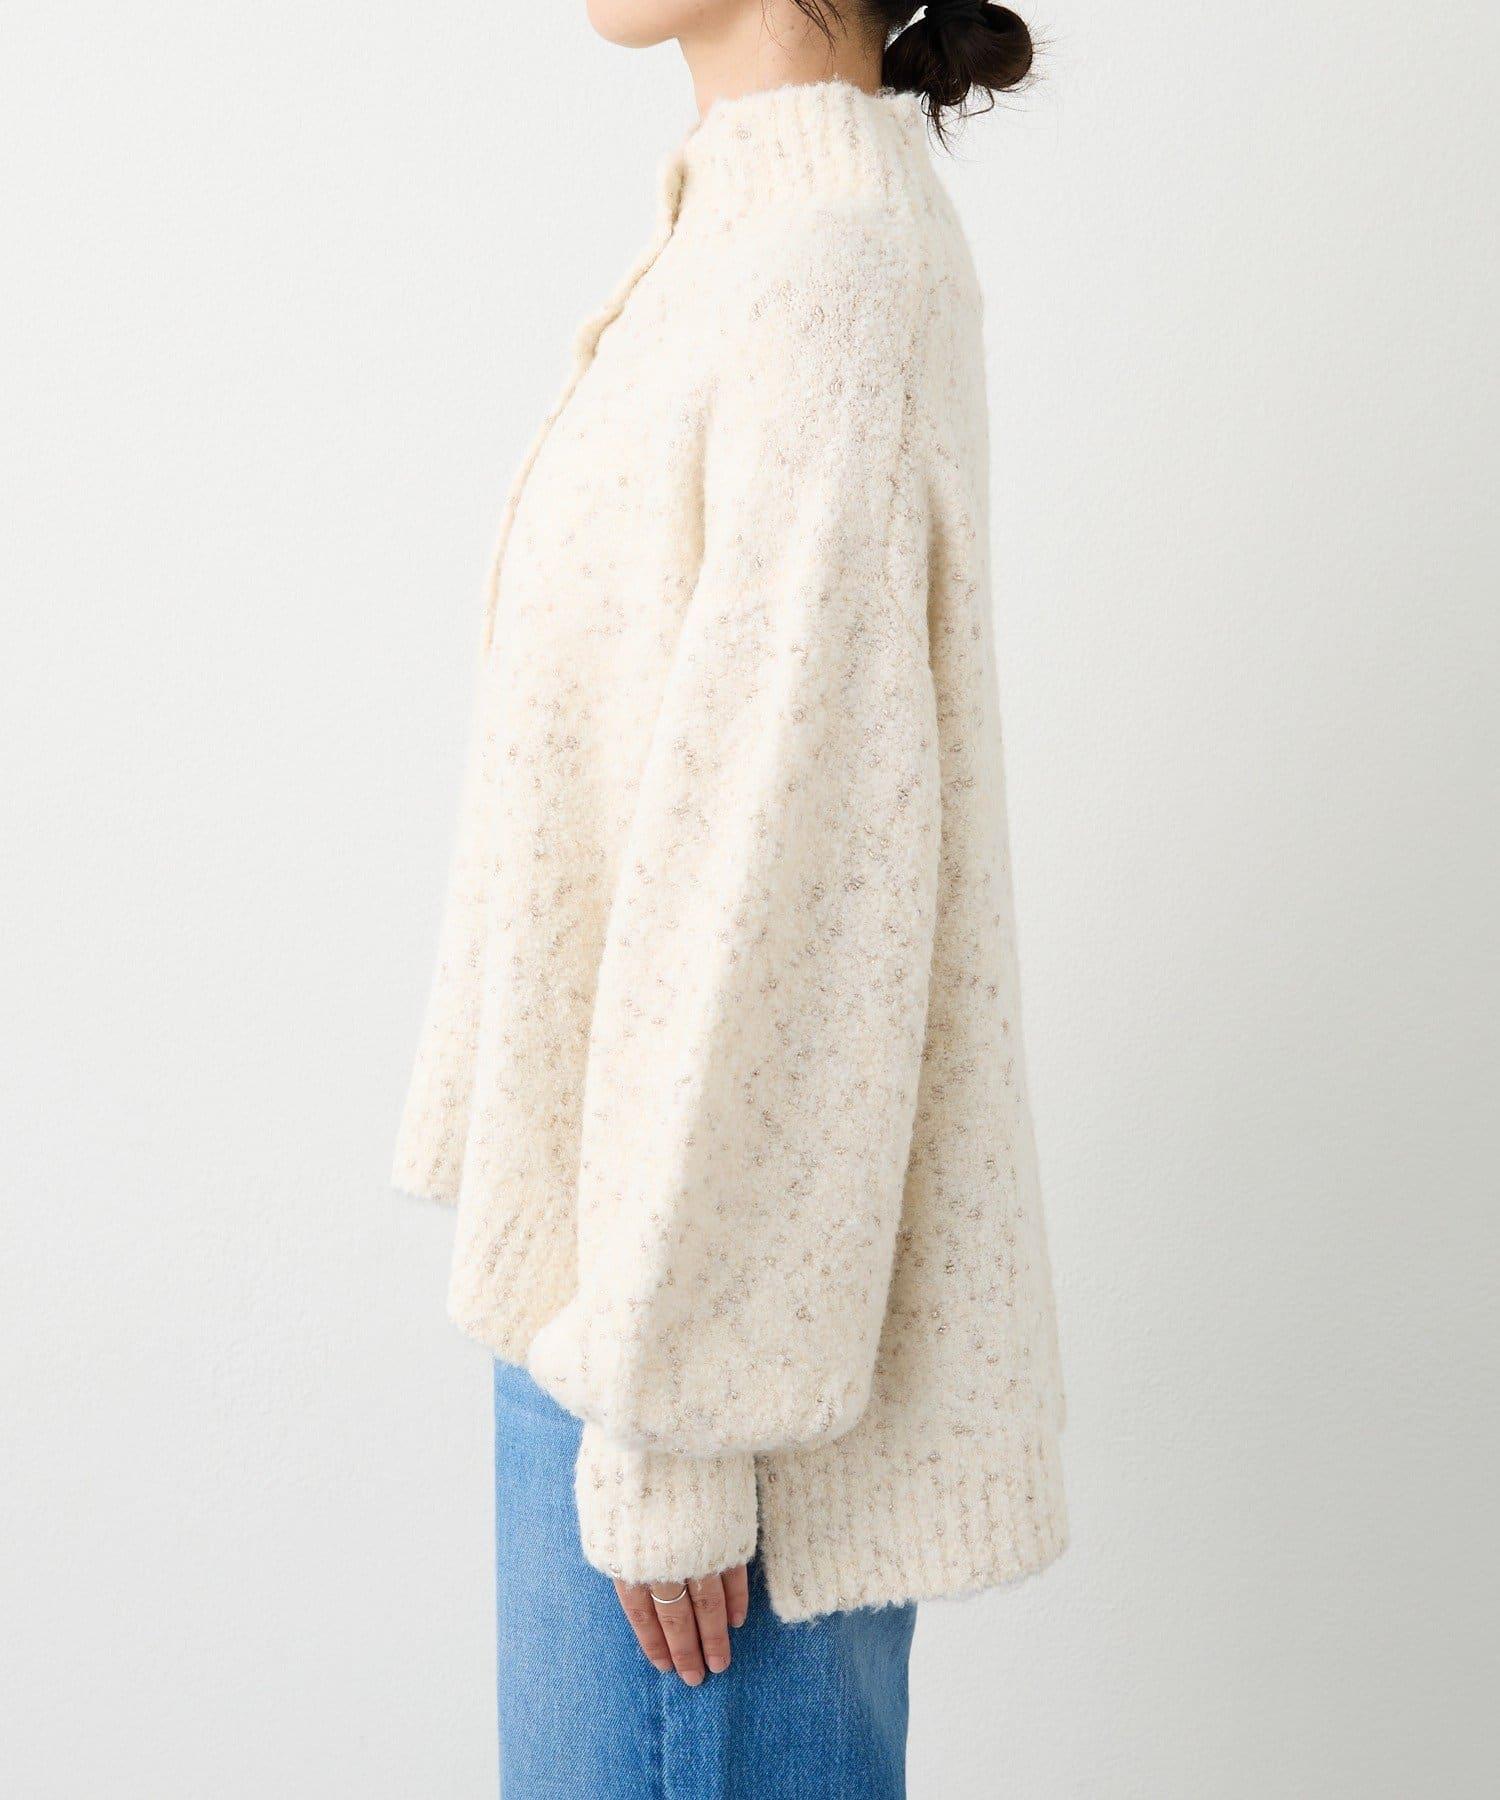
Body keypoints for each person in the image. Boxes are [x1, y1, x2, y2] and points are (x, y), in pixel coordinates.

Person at [392, 3, 1068, 1793]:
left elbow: (795, 893)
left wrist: (677, 1428)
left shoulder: (828, 269)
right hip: (621, 1331)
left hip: (705, 1398)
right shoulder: (745, 238)